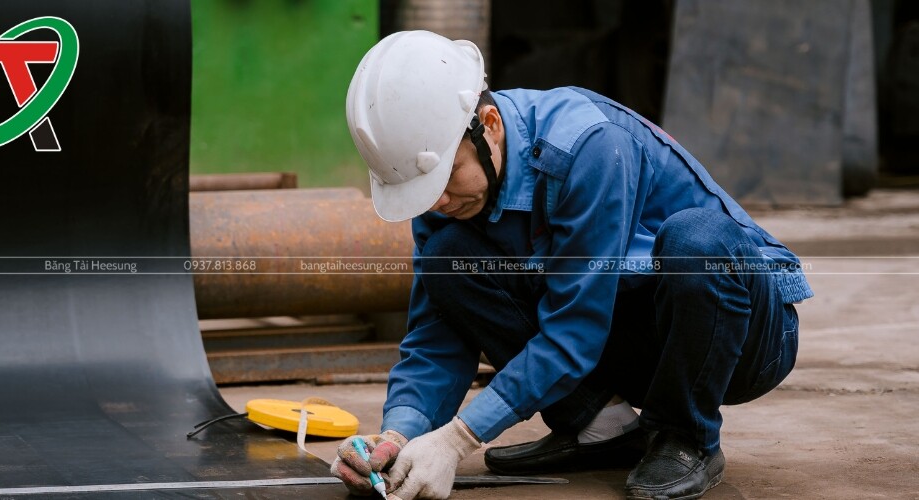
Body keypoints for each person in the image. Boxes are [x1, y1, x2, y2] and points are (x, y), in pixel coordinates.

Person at [331, 30, 812, 500]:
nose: (437, 200)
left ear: (490, 126)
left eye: (446, 176)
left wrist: (459, 439)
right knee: (448, 257)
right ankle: (604, 428)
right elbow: (435, 334)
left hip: (741, 334)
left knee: (696, 240)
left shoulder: (588, 145)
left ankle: (686, 437)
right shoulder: (445, 200)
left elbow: (575, 328)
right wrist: (397, 435)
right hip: (629, 328)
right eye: (422, 191)